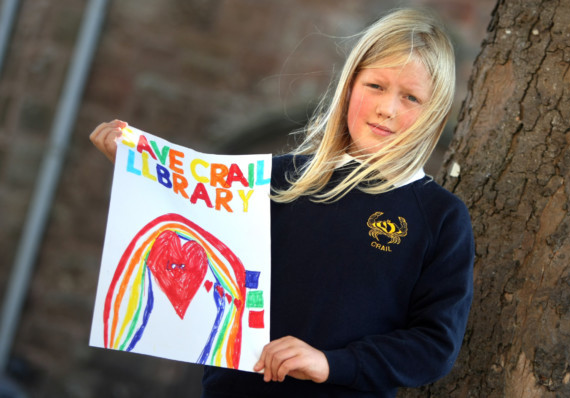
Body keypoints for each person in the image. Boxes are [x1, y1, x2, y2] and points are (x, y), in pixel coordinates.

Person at [90, 8, 474, 398]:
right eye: (376, 85)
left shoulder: (440, 217)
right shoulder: (277, 177)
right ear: (349, 86)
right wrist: (139, 171)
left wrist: (331, 363)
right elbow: (193, 222)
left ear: (435, 113)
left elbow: (434, 345)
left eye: (411, 97)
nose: (387, 108)